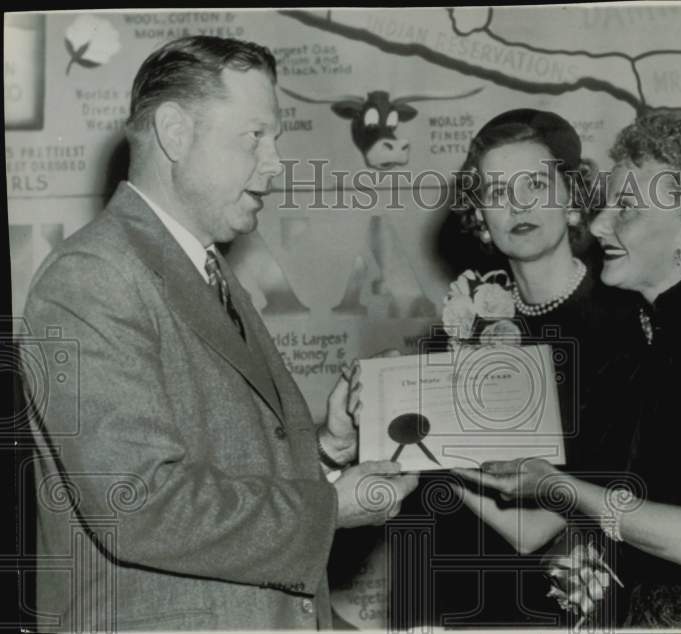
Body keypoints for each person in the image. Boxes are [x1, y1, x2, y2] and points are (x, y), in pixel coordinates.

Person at [22, 36, 416, 632]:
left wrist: (329, 452)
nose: (276, 162)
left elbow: (222, 461)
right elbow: (139, 503)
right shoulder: (92, 276)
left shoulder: (200, 266)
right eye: (254, 136)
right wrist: (333, 507)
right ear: (175, 133)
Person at [459, 110, 681, 628]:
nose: (598, 225)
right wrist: (414, 444)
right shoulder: (631, 355)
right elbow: (531, 530)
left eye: (627, 210)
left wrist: (560, 485)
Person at [390, 108, 642, 628]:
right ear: (480, 217)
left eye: (535, 184)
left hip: (578, 608)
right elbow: (429, 516)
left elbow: (539, 527)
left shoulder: (627, 329)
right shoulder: (456, 334)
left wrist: (411, 437)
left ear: (572, 199)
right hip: (463, 603)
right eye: (497, 191)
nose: (518, 205)